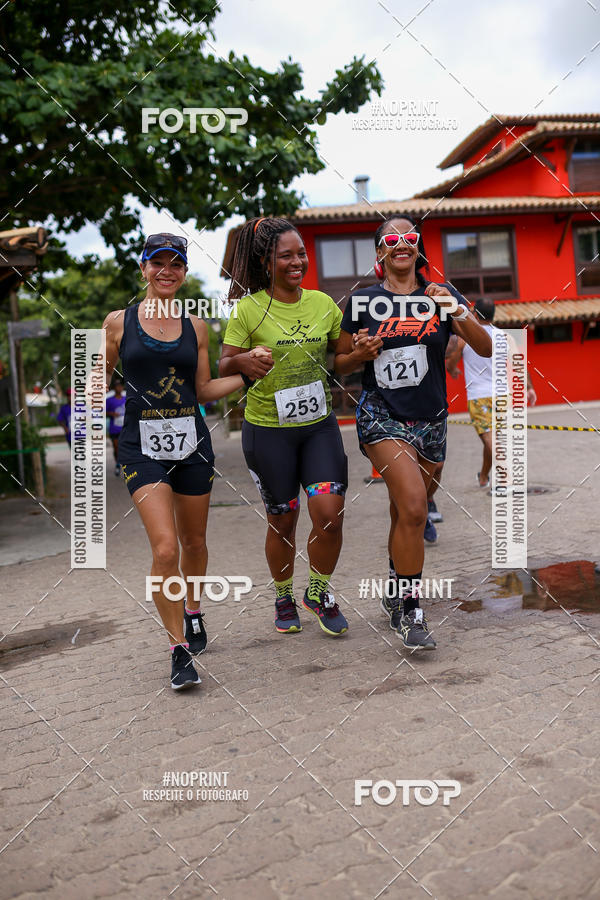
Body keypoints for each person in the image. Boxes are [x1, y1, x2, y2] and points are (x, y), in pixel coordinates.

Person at [103, 233, 255, 690]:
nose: (167, 271)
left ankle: (193, 611)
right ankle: (178, 650)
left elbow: (204, 389)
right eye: (158, 263)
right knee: (165, 548)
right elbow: (98, 381)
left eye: (176, 264)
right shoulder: (117, 323)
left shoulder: (198, 326)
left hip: (191, 444)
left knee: (194, 543)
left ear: (185, 271)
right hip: (141, 448)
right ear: (144, 268)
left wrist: (246, 372)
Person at [335, 215, 492, 650]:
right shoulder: (363, 300)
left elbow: (484, 346)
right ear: (379, 252)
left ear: (418, 249)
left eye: (409, 238)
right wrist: (360, 354)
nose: (401, 243)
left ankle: (393, 581)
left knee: (404, 512)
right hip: (381, 414)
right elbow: (340, 362)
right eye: (391, 239)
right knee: (414, 506)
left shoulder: (440, 295)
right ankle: (410, 609)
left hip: (432, 419)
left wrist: (455, 309)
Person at [219, 216, 349, 637]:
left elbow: (341, 354)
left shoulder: (324, 305)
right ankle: (282, 595)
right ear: (265, 261)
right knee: (283, 520)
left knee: (329, 513)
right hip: (268, 430)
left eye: (302, 254)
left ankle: (318, 591)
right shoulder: (248, 309)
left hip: (318, 427)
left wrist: (362, 348)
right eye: (286, 255)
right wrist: (242, 361)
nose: (297, 262)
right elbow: (223, 365)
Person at [445, 297, 536, 488]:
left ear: (475, 314)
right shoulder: (505, 336)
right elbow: (518, 363)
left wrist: (453, 370)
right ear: (494, 315)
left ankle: (505, 476)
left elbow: (451, 363)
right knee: (493, 440)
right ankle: (484, 477)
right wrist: (529, 388)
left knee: (490, 439)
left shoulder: (466, 337)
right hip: (503, 396)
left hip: (479, 396)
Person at [105, 377, 126, 475]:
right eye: (117, 386)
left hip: (126, 428)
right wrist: (112, 414)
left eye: (120, 385)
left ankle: (126, 466)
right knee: (116, 447)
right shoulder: (109, 400)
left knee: (126, 448)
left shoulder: (127, 399)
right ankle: (118, 465)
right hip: (114, 429)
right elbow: (103, 413)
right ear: (114, 388)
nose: (119, 388)